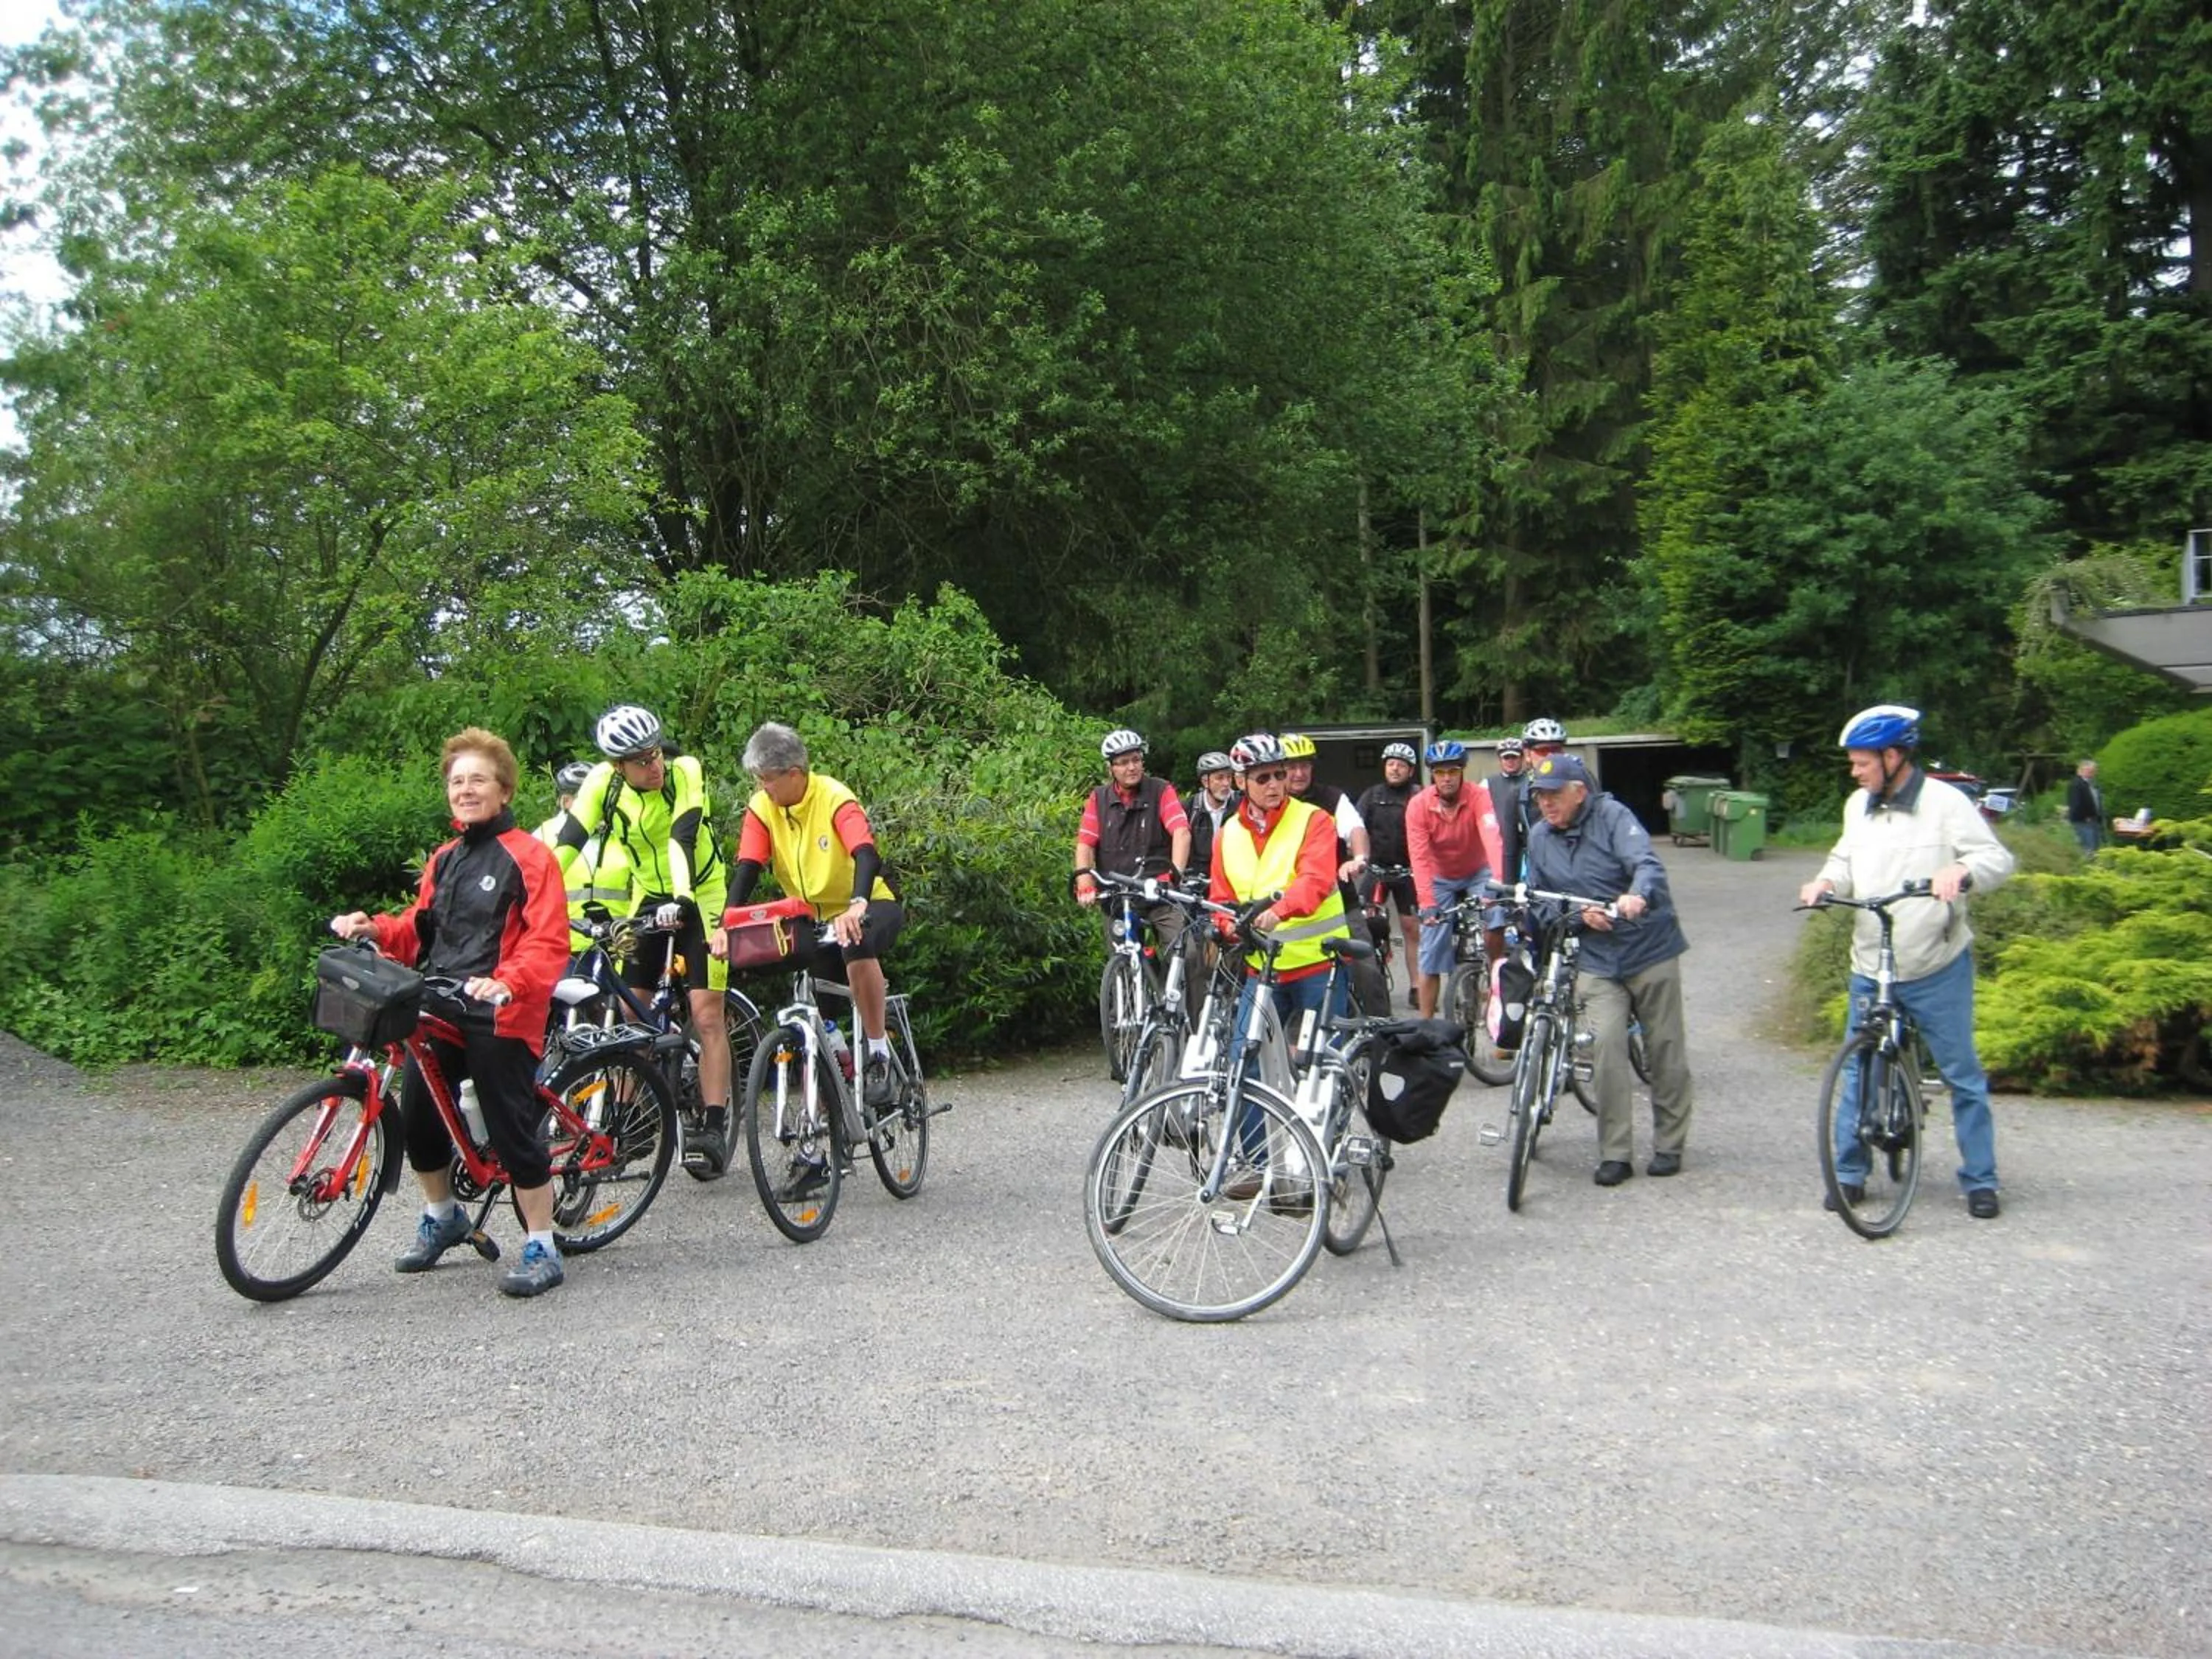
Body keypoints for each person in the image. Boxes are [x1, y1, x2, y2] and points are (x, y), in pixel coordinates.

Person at [330, 728, 572, 1297]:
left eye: (478, 780)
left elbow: (548, 941)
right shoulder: (446, 859)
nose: (465, 790)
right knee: (418, 1119)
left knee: (513, 1127)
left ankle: (542, 1244)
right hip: (439, 1004)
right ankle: (444, 1217)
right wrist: (375, 929)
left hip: (501, 1010)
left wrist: (506, 982)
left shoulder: (530, 858)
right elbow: (421, 929)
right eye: (457, 781)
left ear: (505, 789)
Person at [1797, 704, 2014, 1219]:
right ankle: (1850, 1173)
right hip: (1871, 963)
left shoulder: (1946, 804)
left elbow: (1995, 859)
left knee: (1962, 1073)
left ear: (1894, 757)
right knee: (1857, 1069)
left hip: (1936, 963)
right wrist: (1826, 883)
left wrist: (1961, 870)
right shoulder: (1858, 805)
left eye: (1863, 763)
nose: (1855, 772)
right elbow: (1844, 860)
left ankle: (1981, 1179)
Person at [716, 723, 907, 1191]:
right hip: (807, 915)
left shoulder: (833, 795)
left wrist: (858, 905)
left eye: (768, 778)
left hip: (869, 903)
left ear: (795, 773)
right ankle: (814, 1147)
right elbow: (748, 866)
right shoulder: (763, 807)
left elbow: (865, 853)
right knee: (808, 1026)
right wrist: (727, 921)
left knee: (855, 941)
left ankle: (879, 1054)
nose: (762, 787)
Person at [556, 704, 734, 1172]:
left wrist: (682, 896)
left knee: (705, 1012)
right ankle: (628, 1117)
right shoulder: (603, 783)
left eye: (655, 755)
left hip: (702, 893)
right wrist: (534, 897)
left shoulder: (685, 772)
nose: (654, 767)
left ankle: (713, 1124)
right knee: (630, 1012)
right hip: (647, 898)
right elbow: (568, 842)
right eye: (641, 761)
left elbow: (683, 836)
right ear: (618, 767)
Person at [1523, 751, 1695, 1187]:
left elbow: (1646, 863)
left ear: (1579, 792)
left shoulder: (1613, 816)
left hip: (1648, 946)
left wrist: (1637, 896)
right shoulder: (1540, 838)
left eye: (1554, 794)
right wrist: (1581, 919)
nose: (1546, 803)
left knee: (1665, 1047)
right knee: (1605, 1047)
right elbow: (1541, 902)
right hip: (1597, 956)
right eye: (1540, 796)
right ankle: (1616, 1152)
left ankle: (1670, 1143)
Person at [1208, 731, 1356, 1196]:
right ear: (1241, 781)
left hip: (1319, 960)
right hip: (1264, 968)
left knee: (1321, 1063)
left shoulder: (1314, 820)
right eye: (1263, 777)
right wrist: (1222, 923)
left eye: (1280, 774)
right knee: (1242, 1058)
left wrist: (1276, 911)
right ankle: (1255, 1163)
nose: (1277, 783)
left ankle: (1328, 1157)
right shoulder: (1228, 833)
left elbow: (1315, 879)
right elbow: (1221, 895)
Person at [1072, 727, 1192, 970]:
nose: (1132, 767)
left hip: (1159, 894)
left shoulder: (1161, 790)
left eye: (1136, 759)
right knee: (1122, 966)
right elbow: (1085, 844)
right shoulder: (1099, 798)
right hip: (1118, 897)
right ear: (1111, 768)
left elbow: (1181, 832)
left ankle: (1188, 1008)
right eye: (1123, 762)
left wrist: (1173, 876)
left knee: (1187, 957)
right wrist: (1085, 883)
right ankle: (1125, 1005)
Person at [1406, 740, 1503, 1018]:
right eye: (1440, 772)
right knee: (1431, 951)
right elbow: (1420, 857)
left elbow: (1492, 839)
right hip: (1440, 878)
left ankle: (1495, 974)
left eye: (1452, 771)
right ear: (1432, 775)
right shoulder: (1418, 806)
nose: (1446, 778)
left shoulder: (1478, 797)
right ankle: (1426, 1026)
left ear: (1462, 772)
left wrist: (1496, 883)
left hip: (1478, 871)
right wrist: (1427, 902)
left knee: (1496, 918)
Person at [538, 759, 629, 950]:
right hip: (562, 948)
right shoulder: (542, 837)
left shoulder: (621, 833)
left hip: (618, 946)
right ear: (566, 801)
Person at [1356, 742, 1422, 1002]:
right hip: (1376, 871)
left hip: (1408, 872)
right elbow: (1357, 827)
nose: (1395, 769)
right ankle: (1373, 982)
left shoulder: (1419, 795)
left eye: (1401, 765)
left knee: (1411, 929)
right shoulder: (1372, 795)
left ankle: (1417, 986)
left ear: (1410, 771)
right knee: (1367, 924)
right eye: (1391, 764)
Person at [1185, 750, 1239, 888]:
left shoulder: (1241, 805)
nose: (1226, 783)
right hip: (1198, 883)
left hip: (1233, 879)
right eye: (1220, 778)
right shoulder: (1189, 808)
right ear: (1205, 781)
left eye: (1229, 777)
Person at [2065, 759, 2105, 855]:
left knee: (2095, 845)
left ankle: (2096, 867)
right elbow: (2076, 804)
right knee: (2089, 846)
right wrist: (2085, 817)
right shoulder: (2077, 784)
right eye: (2089, 771)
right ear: (2080, 771)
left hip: (2093, 819)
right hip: (2083, 820)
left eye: (2094, 771)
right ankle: (2089, 866)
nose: (2093, 773)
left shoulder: (2090, 783)